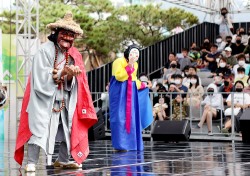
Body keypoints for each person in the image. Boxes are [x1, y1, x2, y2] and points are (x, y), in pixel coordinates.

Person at [14, 11, 98, 172]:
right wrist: (61, 73)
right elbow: (40, 74)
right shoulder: (44, 50)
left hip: (63, 100)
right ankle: (31, 161)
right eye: (64, 34)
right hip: (42, 100)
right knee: (37, 129)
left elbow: (72, 82)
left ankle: (63, 159)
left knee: (68, 129)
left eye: (71, 35)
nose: (67, 38)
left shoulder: (72, 56)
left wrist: (70, 76)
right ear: (56, 33)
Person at [109, 44, 153, 151]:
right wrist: (130, 65)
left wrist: (143, 84)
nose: (135, 55)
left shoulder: (135, 64)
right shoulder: (118, 62)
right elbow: (120, 77)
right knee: (119, 118)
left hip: (130, 91)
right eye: (133, 53)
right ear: (128, 53)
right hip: (119, 91)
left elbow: (133, 79)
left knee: (132, 117)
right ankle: (120, 144)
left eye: (137, 54)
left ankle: (131, 143)